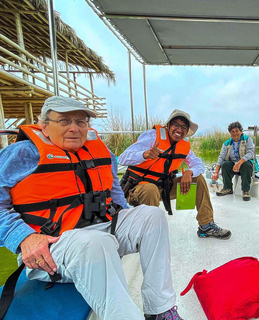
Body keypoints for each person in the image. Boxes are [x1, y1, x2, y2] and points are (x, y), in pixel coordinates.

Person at [0, 96, 182, 320]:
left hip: (102, 231)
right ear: (44, 126)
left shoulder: (101, 151)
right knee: (97, 242)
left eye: (81, 122)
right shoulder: (21, 154)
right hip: (52, 247)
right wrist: (23, 238)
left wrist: (127, 217)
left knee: (151, 215)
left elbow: (115, 193)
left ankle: (160, 310)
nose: (74, 128)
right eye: (64, 121)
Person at [118, 109, 231, 240]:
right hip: (138, 189)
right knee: (150, 189)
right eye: (176, 125)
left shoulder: (183, 145)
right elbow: (122, 158)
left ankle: (206, 226)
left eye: (184, 127)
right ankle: (149, 236)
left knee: (198, 178)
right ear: (168, 125)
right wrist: (145, 154)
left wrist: (190, 172)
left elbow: (198, 164)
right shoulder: (152, 136)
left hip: (164, 189)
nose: (179, 130)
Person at [212, 121, 259, 201]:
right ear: (230, 133)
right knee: (225, 164)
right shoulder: (227, 143)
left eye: (237, 131)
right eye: (232, 131)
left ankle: (245, 191)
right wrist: (216, 172)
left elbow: (251, 153)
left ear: (241, 131)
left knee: (246, 164)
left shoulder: (248, 140)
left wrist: (239, 163)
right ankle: (227, 188)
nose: (235, 133)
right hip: (233, 167)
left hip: (245, 166)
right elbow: (221, 157)